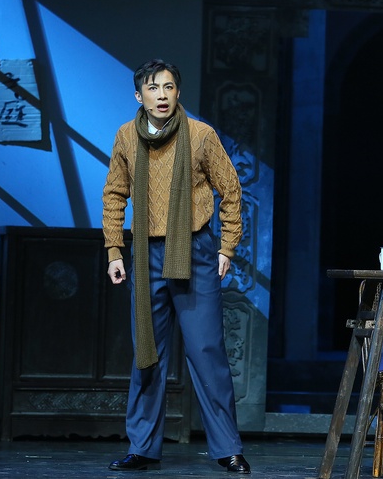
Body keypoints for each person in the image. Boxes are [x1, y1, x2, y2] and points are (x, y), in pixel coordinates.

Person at [102, 59, 249, 473]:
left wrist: (227, 248)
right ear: (139, 96)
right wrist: (114, 251)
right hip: (145, 254)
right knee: (147, 354)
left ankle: (228, 448)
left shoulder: (200, 135)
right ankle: (142, 448)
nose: (162, 95)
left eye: (168, 87)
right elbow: (114, 194)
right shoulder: (126, 136)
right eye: (153, 88)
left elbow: (231, 189)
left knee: (206, 352)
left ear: (178, 93)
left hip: (195, 250)